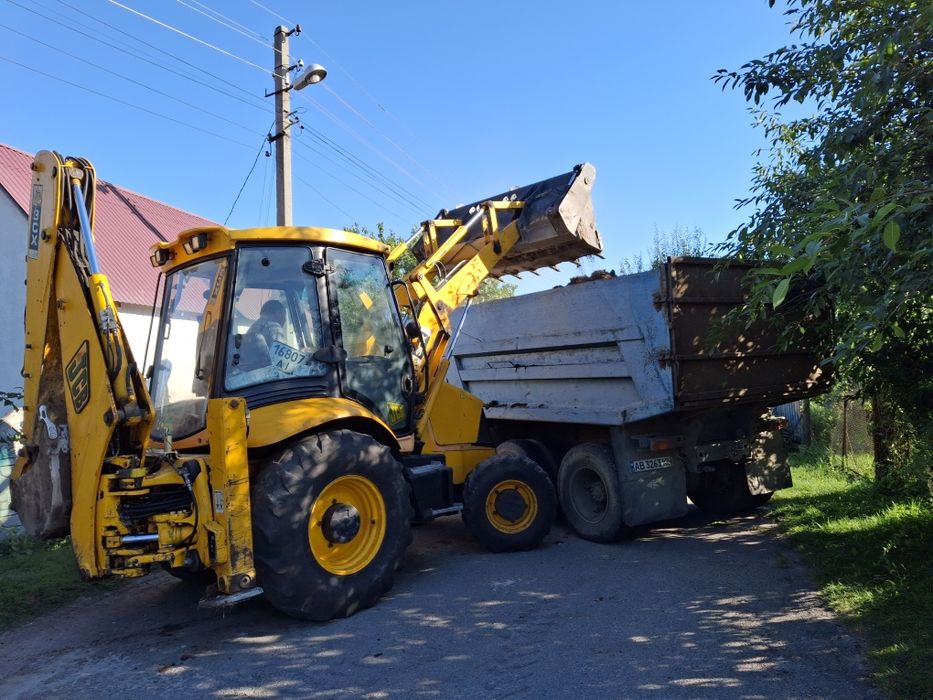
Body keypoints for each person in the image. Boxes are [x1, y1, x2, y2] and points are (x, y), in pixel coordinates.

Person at [238, 299, 287, 371]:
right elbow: (283, 362)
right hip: (269, 376)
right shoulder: (274, 326)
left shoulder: (254, 327)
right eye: (284, 315)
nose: (285, 320)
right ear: (278, 313)